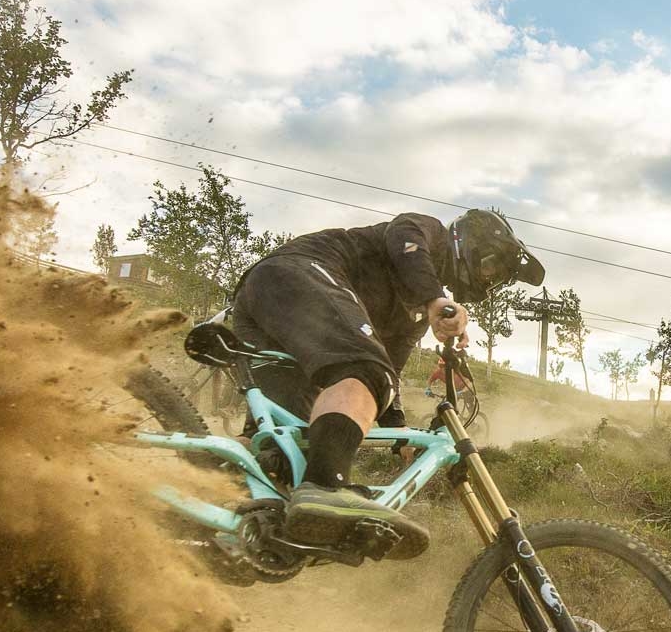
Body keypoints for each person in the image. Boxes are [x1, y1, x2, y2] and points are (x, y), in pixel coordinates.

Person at [230, 208, 544, 558]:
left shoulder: (413, 318)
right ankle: (326, 487)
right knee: (364, 372)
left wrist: (398, 432)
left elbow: (387, 375)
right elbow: (403, 238)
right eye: (490, 267)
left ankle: (215, 511)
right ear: (470, 242)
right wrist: (435, 298)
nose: (488, 279)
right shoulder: (428, 232)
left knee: (285, 446)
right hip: (296, 274)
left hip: (266, 308)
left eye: (496, 279)